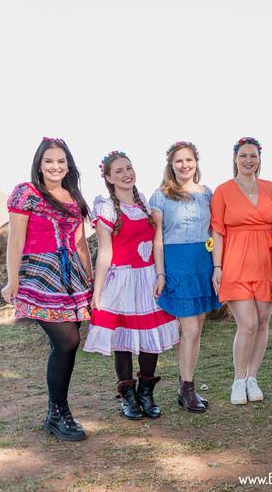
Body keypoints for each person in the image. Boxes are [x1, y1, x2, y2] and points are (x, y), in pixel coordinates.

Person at [2, 137, 93, 441]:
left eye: (61, 161)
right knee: (67, 341)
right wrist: (12, 280)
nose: (56, 166)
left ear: (68, 165)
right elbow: (15, 239)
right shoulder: (26, 193)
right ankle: (57, 413)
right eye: (49, 161)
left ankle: (57, 412)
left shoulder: (74, 196)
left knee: (67, 344)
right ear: (39, 166)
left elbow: (80, 244)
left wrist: (90, 282)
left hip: (72, 279)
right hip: (40, 275)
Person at [84, 151, 180, 420]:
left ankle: (146, 393)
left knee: (151, 337)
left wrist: (160, 274)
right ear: (108, 177)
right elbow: (105, 252)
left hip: (148, 277)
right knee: (123, 339)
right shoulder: (105, 207)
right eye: (119, 171)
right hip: (122, 280)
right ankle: (128, 396)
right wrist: (98, 292)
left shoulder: (145, 204)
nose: (126, 174)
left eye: (129, 168)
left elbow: (157, 243)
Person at [150, 141, 221, 413]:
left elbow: (214, 231)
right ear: (171, 165)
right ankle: (187, 388)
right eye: (179, 160)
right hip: (176, 262)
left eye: (189, 160)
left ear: (196, 162)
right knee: (189, 329)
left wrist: (217, 267)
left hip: (202, 261)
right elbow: (158, 237)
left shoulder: (206, 193)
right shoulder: (161, 196)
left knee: (197, 327)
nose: (184, 165)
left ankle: (185, 383)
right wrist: (160, 273)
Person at [211, 137, 272, 405]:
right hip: (235, 261)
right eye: (243, 156)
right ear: (235, 159)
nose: (248, 160)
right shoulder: (223, 190)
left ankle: (253, 378)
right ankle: (238, 381)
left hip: (266, 261)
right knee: (248, 324)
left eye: (253, 156)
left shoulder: (270, 187)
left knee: (262, 322)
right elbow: (218, 231)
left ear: (259, 159)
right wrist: (217, 267)